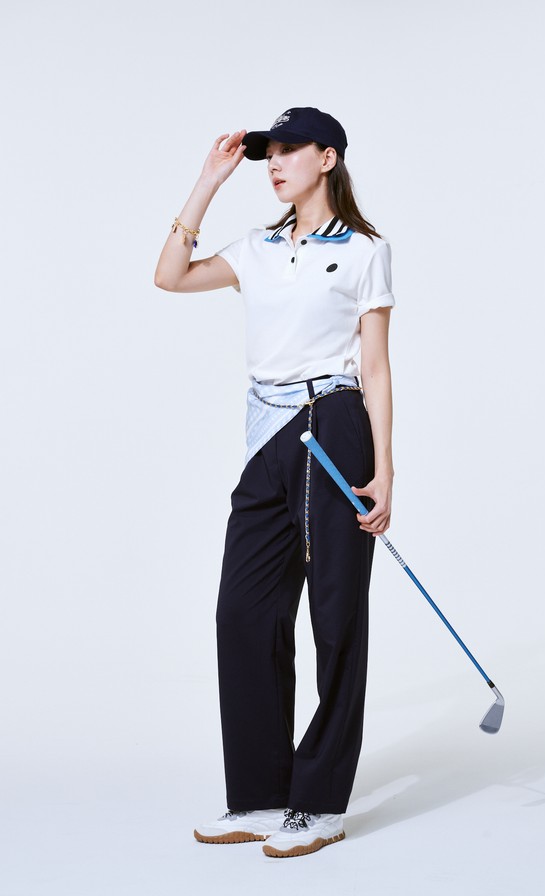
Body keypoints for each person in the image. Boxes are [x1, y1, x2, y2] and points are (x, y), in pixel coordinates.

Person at [154, 107, 395, 858]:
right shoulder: (256, 249)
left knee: (335, 617)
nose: (275, 162)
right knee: (244, 612)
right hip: (267, 436)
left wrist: (386, 469)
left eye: (289, 149)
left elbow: (377, 365)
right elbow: (169, 276)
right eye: (269, 153)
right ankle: (261, 795)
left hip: (335, 425)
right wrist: (209, 181)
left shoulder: (365, 250)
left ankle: (320, 803)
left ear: (328, 157)